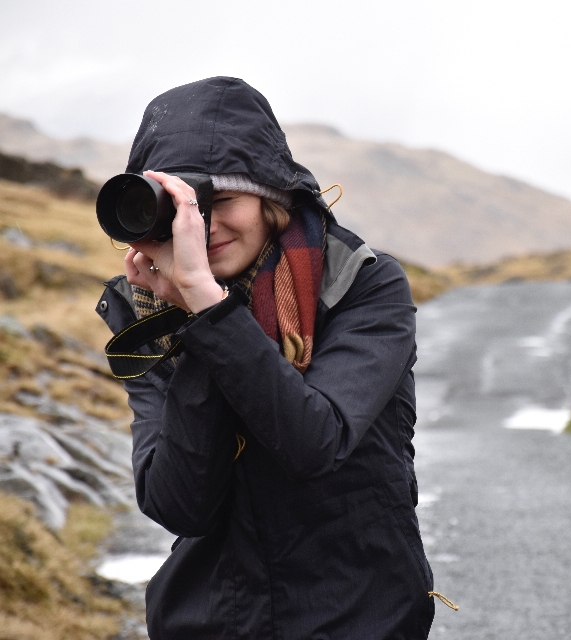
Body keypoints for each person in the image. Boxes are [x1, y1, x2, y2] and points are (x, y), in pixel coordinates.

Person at [95, 77, 436, 639]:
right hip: (211, 622)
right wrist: (192, 318)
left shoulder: (359, 286)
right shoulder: (150, 313)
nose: (202, 229)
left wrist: (207, 311)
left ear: (270, 196)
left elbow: (313, 441)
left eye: (220, 201)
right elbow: (181, 505)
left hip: (357, 617)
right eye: (179, 211)